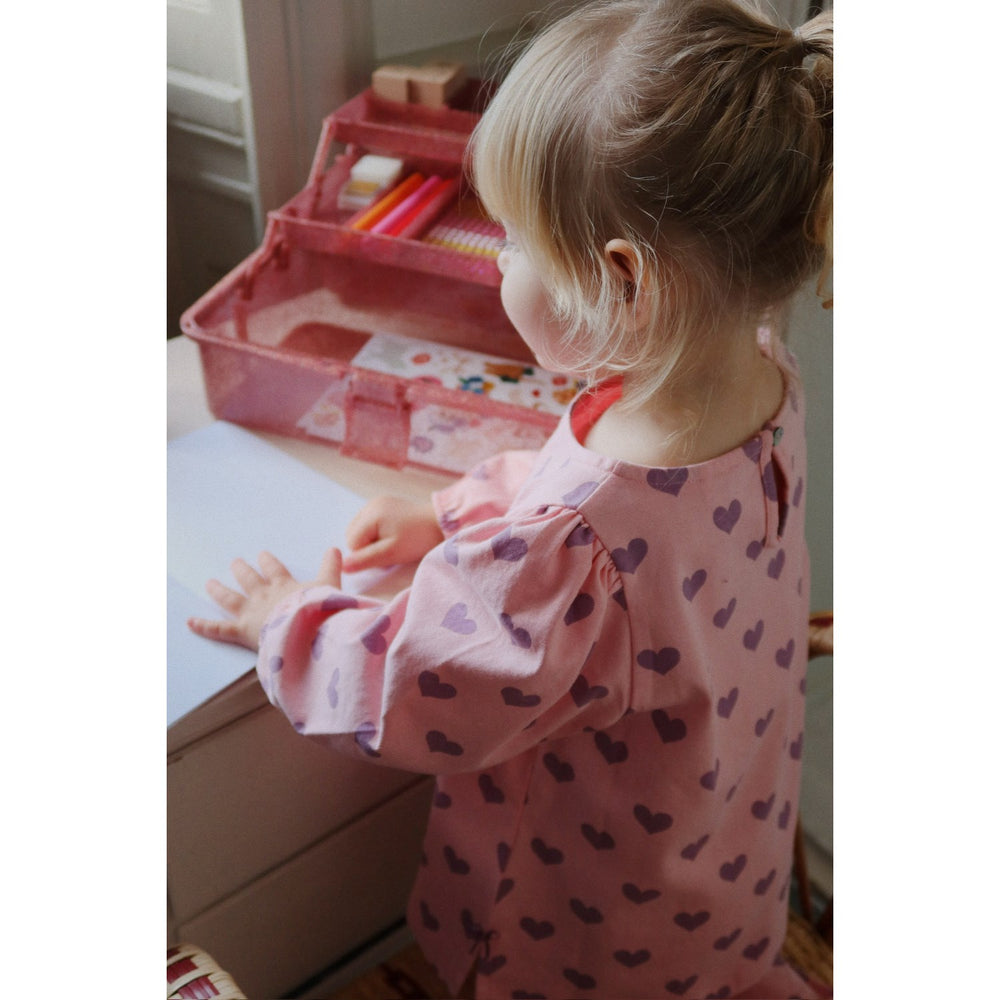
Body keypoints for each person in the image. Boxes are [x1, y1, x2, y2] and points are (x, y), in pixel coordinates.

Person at [188, 1, 833, 996]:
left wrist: (288, 620)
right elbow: (581, 490)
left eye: (515, 242)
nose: (498, 262)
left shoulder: (576, 548)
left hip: (590, 930)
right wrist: (453, 512)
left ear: (623, 282)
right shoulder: (763, 378)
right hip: (719, 857)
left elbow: (414, 691)